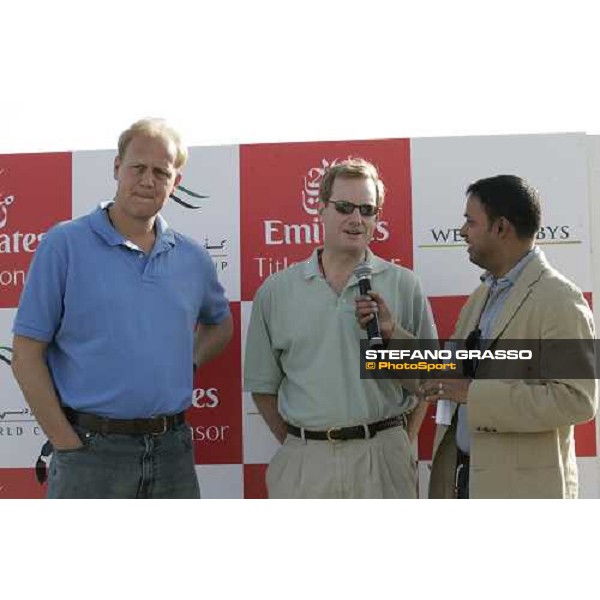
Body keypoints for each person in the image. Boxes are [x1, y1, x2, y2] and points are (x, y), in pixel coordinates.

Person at [11, 118, 233, 498]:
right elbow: (26, 353)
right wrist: (65, 441)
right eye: (138, 168)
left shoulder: (193, 257)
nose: (148, 180)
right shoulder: (64, 244)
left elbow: (221, 324)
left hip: (172, 451)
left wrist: (188, 362)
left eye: (161, 172)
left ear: (175, 183)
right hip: (90, 454)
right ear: (117, 168)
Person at [244, 158, 437, 498]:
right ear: (320, 208)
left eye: (367, 209)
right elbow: (263, 388)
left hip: (383, 458)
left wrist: (400, 442)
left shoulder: (405, 285)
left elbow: (429, 379)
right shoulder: (276, 291)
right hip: (306, 462)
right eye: (345, 206)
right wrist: (307, 444)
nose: (356, 219)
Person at [423, 174, 597, 499]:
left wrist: (474, 395)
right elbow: (450, 373)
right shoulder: (482, 295)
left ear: (501, 227)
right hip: (464, 482)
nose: (462, 232)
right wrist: (390, 338)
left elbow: (578, 400)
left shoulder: (560, 298)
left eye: (470, 222)